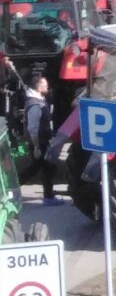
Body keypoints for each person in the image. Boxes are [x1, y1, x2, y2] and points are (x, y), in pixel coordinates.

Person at [21, 76, 62, 206]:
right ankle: (48, 197)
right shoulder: (35, 105)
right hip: (39, 142)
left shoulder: (39, 100)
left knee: (46, 166)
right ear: (38, 88)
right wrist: (36, 146)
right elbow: (33, 128)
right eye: (45, 86)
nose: (47, 87)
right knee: (43, 167)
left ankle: (48, 195)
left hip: (43, 140)